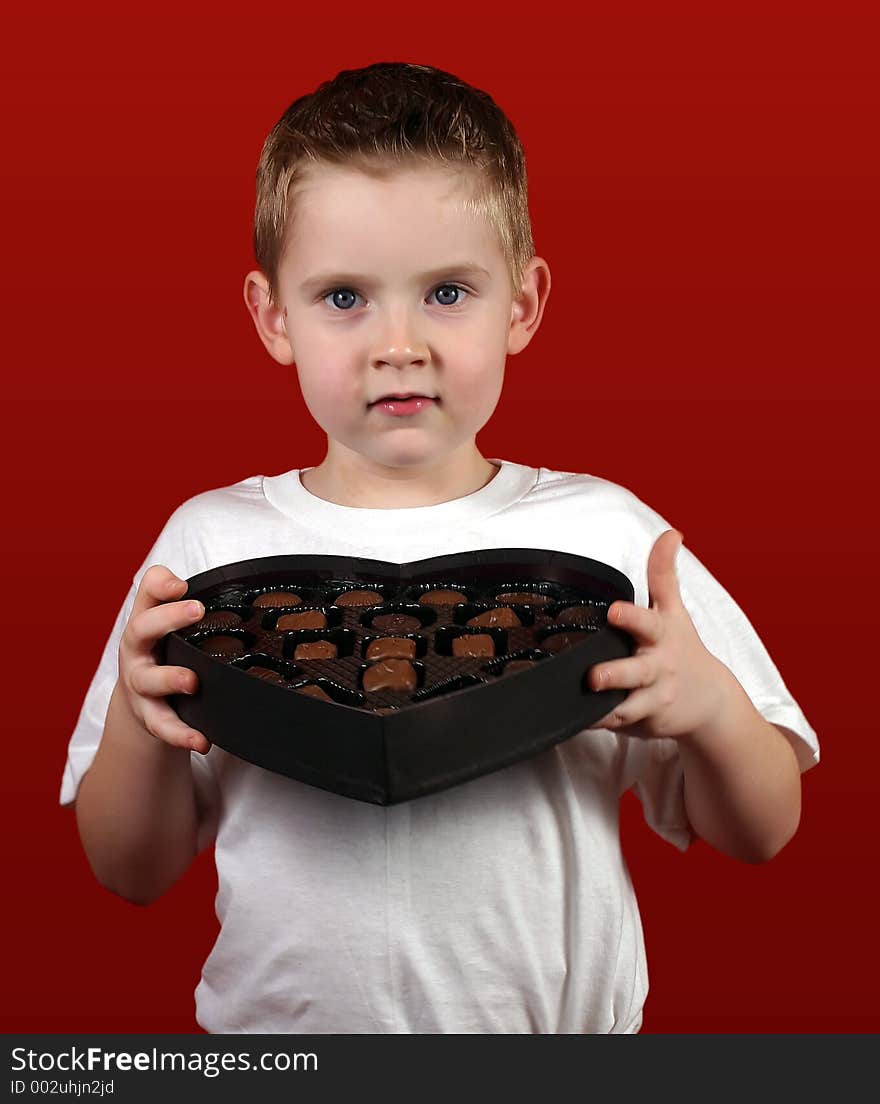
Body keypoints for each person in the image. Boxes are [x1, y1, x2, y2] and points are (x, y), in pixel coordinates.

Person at [61, 61, 818, 1034]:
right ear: (270, 316)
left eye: (448, 291)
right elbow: (129, 871)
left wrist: (709, 707)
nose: (398, 342)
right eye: (344, 298)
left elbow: (759, 833)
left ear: (523, 303)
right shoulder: (206, 548)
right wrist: (136, 711)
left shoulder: (609, 537)